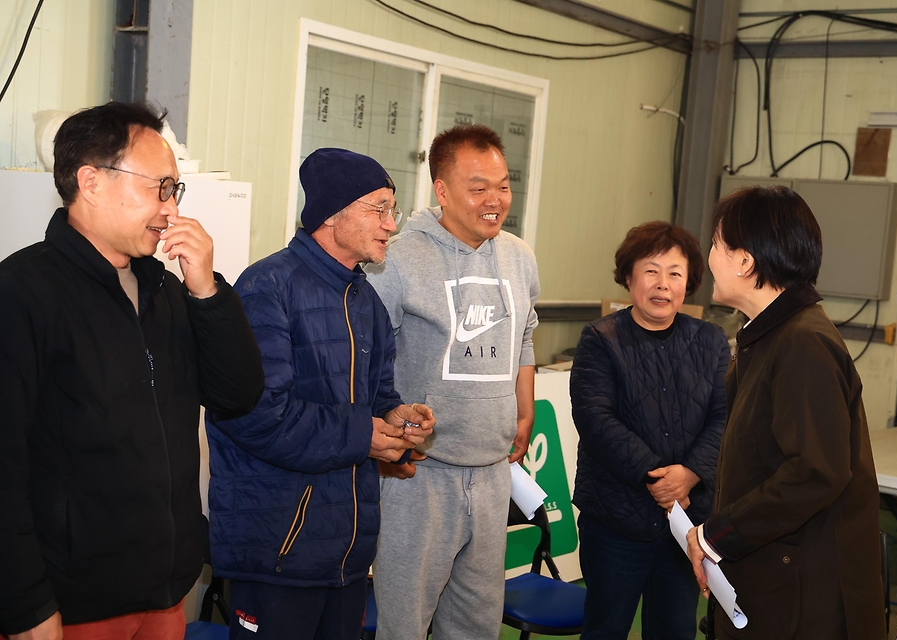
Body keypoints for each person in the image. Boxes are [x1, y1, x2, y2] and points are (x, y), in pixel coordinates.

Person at [0, 102, 264, 640]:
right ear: (91, 182)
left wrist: (207, 290)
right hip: (70, 604)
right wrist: (24, 603)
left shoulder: (166, 291)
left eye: (176, 190)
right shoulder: (23, 291)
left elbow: (237, 395)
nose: (170, 207)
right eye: (160, 186)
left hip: (166, 593)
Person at [204, 148, 436, 640]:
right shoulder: (267, 287)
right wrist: (364, 436)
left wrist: (397, 419)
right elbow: (255, 416)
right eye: (379, 209)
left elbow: (375, 398)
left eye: (392, 210)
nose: (391, 225)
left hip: (345, 556)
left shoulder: (364, 298)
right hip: (280, 552)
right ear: (332, 214)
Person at [685, 185, 886, 639]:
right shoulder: (766, 337)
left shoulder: (803, 343)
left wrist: (718, 536)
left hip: (802, 598)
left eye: (717, 244)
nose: (710, 256)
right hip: (772, 577)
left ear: (745, 260)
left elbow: (816, 472)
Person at [365, 124, 540, 640]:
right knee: (405, 626)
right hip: (419, 478)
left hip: (491, 474)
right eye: (478, 186)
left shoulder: (519, 256)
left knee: (475, 627)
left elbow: (524, 336)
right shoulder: (398, 258)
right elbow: (368, 358)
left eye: (504, 186)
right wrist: (384, 437)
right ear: (441, 189)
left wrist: (522, 409)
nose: (495, 200)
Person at [569, 222, 729, 640]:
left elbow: (724, 415)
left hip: (687, 525)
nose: (663, 285)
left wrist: (690, 474)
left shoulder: (710, 341)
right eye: (651, 271)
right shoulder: (600, 340)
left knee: (675, 630)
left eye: (675, 273)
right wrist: (659, 477)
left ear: (689, 282)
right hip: (615, 520)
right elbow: (595, 418)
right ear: (628, 277)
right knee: (606, 628)